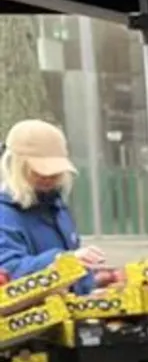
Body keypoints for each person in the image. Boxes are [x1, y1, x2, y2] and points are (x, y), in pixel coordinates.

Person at [0, 119, 102, 290]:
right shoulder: (4, 214)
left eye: (55, 172)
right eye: (38, 171)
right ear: (16, 166)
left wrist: (94, 280)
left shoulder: (56, 208)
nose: (48, 178)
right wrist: (62, 261)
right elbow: (8, 272)